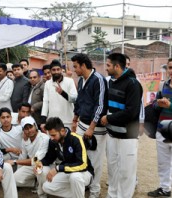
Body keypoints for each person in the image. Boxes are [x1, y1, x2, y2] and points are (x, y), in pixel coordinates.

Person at [100, 53, 143, 198]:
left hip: (128, 136)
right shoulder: (111, 82)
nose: (106, 68)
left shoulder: (133, 84)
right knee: (113, 170)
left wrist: (109, 118)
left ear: (117, 66)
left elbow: (131, 112)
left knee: (126, 173)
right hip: (112, 134)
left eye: (108, 65)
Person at [71, 53, 108, 198]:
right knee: (82, 156)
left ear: (83, 65)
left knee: (95, 160)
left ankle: (94, 191)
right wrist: (75, 119)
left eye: (75, 66)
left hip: (96, 128)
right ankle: (86, 184)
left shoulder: (98, 80)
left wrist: (92, 127)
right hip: (81, 124)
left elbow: (100, 105)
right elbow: (79, 101)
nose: (74, 70)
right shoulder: (81, 80)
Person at [42, 117, 94, 198]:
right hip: (68, 171)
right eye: (50, 135)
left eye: (53, 135)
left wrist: (58, 168)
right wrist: (39, 163)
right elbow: (49, 158)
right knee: (46, 187)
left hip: (84, 173)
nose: (51, 138)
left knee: (75, 177)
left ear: (62, 131)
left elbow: (83, 165)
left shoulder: (76, 139)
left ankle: (78, 192)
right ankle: (77, 193)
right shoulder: (54, 141)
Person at [6, 116, 49, 198]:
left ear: (35, 126)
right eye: (26, 128)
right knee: (14, 179)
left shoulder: (44, 138)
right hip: (32, 165)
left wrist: (15, 162)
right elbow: (22, 157)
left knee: (39, 170)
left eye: (31, 127)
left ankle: (42, 194)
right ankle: (35, 182)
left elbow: (36, 159)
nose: (29, 130)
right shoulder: (25, 139)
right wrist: (18, 172)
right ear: (23, 130)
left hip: (44, 164)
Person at [147, 58, 172, 197]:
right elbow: (154, 105)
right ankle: (165, 189)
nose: (171, 71)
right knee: (163, 162)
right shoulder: (162, 85)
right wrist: (159, 104)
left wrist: (170, 106)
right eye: (170, 67)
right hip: (162, 128)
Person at [41, 59, 77, 130]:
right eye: (54, 70)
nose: (56, 71)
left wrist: (63, 93)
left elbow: (74, 99)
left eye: (58, 69)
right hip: (52, 121)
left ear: (61, 70)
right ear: (51, 71)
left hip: (67, 121)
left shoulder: (70, 81)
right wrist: (43, 120)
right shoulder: (47, 84)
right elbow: (45, 102)